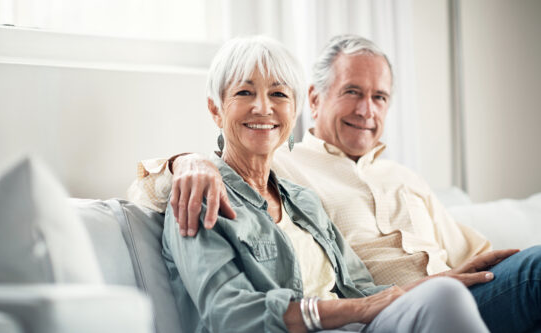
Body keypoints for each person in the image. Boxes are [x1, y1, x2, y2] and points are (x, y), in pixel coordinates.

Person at [128, 35, 540, 333]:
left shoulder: (301, 198)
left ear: (292, 110)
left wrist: (435, 282)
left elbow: (362, 288)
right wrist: (187, 162)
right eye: (244, 92)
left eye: (277, 94)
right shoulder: (209, 191)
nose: (263, 107)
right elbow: (231, 314)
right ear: (215, 110)